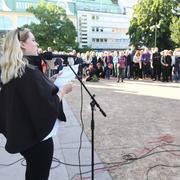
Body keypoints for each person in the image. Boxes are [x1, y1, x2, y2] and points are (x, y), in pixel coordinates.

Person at [0, 28, 73, 180]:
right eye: (33, 40)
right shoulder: (27, 71)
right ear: (22, 44)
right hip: (36, 141)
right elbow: (44, 106)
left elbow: (30, 95)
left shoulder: (17, 70)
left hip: (25, 136)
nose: (36, 43)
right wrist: (63, 91)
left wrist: (50, 81)